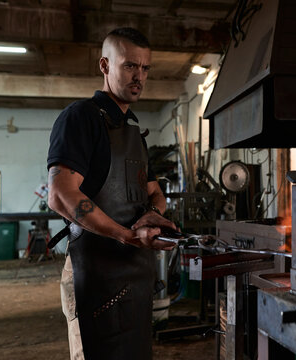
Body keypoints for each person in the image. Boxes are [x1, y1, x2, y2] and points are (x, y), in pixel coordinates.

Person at [47, 27, 177, 360]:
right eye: (130, 66)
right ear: (105, 66)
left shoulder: (133, 129)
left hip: (132, 268)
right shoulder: (80, 118)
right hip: (92, 268)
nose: (140, 76)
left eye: (146, 68)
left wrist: (154, 213)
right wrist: (123, 235)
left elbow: (153, 191)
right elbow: (61, 194)